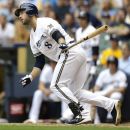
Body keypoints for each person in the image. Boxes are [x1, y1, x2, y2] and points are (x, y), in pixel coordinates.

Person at [15, 3, 121, 125]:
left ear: (30, 12)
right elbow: (40, 61)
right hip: (72, 55)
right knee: (75, 93)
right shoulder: (32, 38)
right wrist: (30, 76)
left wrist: (61, 42)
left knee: (56, 85)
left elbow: (57, 34)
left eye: (21, 12)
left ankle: (82, 114)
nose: (20, 16)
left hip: (70, 52)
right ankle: (111, 104)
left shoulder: (44, 22)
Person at [94, 56, 127, 123]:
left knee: (115, 96)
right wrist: (96, 92)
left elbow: (122, 89)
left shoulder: (121, 74)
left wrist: (111, 91)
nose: (111, 65)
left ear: (116, 64)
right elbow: (97, 87)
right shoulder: (103, 73)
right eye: (109, 63)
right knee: (94, 95)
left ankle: (110, 116)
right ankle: (95, 119)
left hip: (116, 93)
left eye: (113, 64)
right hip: (105, 93)